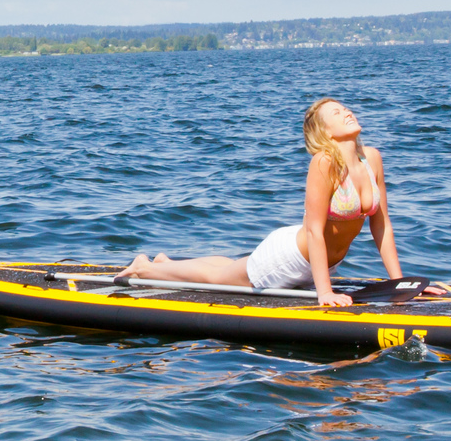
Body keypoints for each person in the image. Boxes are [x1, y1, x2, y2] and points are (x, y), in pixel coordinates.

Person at [120, 97, 419, 308]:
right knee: (221, 277)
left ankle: (167, 263)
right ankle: (146, 269)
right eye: (337, 113)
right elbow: (315, 230)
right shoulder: (324, 162)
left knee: (236, 269)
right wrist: (324, 291)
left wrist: (400, 284)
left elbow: (382, 227)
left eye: (345, 108)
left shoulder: (373, 159)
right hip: (290, 258)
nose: (347, 112)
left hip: (323, 262)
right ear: (326, 132)